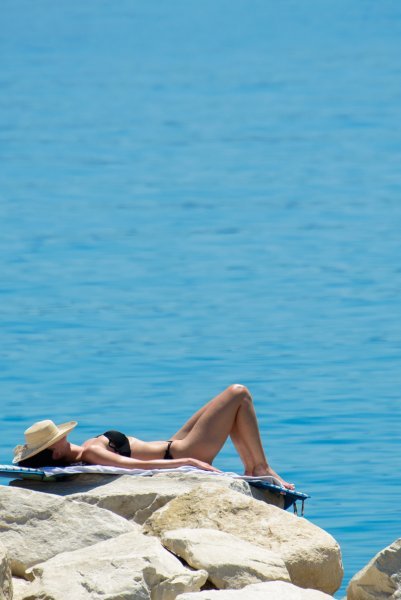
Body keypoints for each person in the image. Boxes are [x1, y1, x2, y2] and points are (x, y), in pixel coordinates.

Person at [13, 384, 294, 489]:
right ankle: (259, 467)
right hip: (184, 451)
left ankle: (255, 465)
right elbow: (140, 467)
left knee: (222, 404)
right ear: (58, 452)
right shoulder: (89, 453)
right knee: (238, 394)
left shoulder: (86, 450)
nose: (62, 437)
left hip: (175, 444)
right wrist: (188, 463)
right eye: (55, 440)